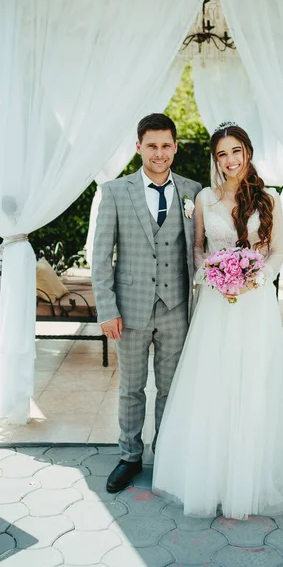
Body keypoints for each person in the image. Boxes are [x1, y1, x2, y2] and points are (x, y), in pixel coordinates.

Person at [152, 123, 283, 520]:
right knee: (212, 385)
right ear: (214, 160)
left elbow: (278, 252)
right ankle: (209, 476)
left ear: (248, 151)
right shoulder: (203, 198)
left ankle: (244, 478)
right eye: (221, 154)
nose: (230, 160)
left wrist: (253, 277)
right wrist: (214, 277)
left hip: (254, 306)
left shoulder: (270, 199)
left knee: (250, 385)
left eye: (236, 151)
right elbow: (198, 250)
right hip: (216, 306)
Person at [92, 113, 202, 493]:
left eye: (166, 145)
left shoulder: (194, 191)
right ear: (139, 146)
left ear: (175, 147)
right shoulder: (115, 191)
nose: (159, 153)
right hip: (130, 310)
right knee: (131, 388)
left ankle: (167, 455)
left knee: (172, 389)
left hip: (176, 311)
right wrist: (106, 308)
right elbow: (101, 256)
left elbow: (200, 251)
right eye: (151, 145)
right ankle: (129, 456)